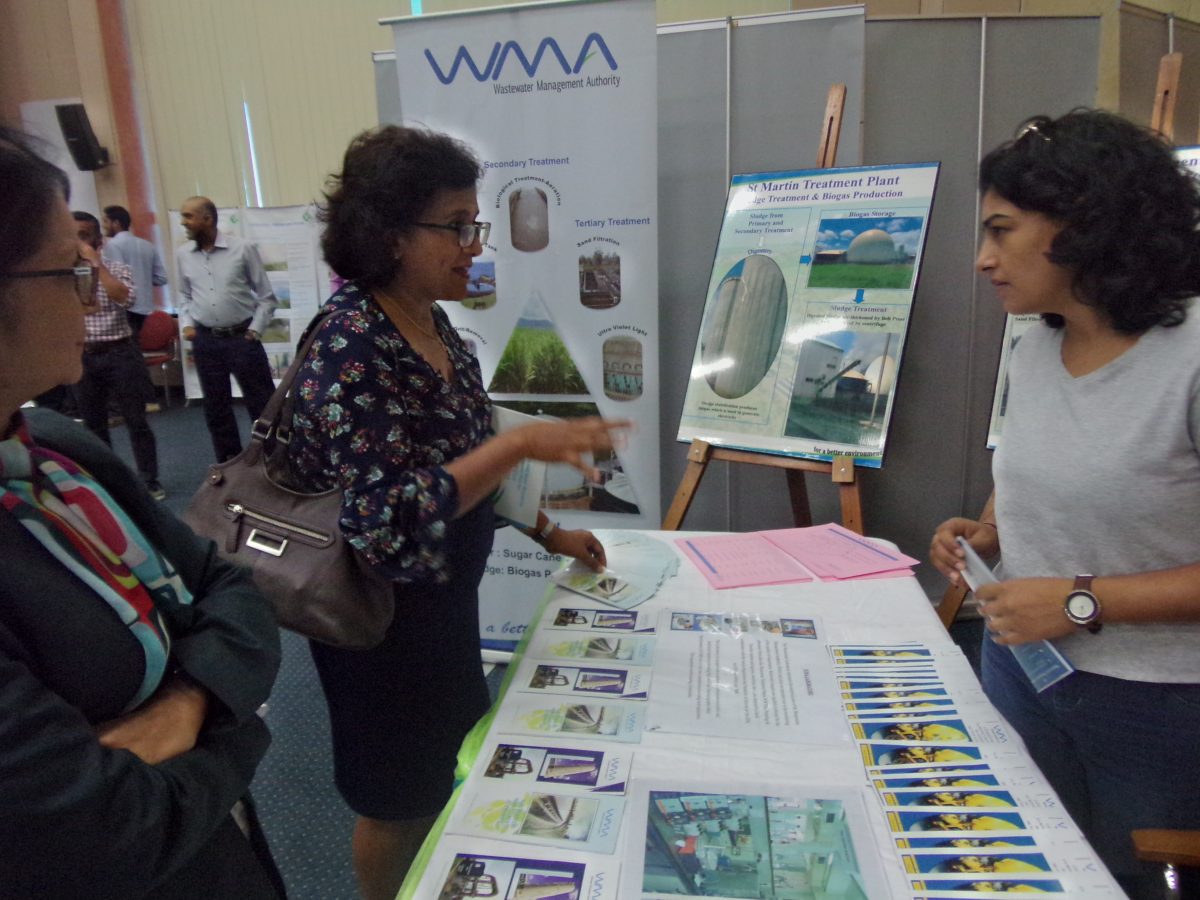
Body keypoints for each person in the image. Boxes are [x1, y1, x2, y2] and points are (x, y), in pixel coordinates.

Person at [286, 125, 630, 900]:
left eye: (475, 224)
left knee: (449, 769)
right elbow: (385, 519)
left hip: (441, 609)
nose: (474, 245)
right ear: (389, 234)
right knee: (395, 801)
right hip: (376, 625)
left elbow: (466, 459)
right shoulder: (351, 348)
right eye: (455, 226)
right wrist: (521, 444)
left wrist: (550, 531)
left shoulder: (435, 326)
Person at [0, 126, 284, 899]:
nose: (95, 295)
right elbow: (108, 831)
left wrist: (190, 705)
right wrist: (238, 722)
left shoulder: (56, 448)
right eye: (70, 272)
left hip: (221, 854)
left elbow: (234, 589)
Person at [930, 109, 1200, 899]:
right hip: (1025, 669)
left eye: (1001, 231)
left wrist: (1080, 602)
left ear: (1085, 223)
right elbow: (1046, 464)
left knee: (1133, 882)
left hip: (1157, 707)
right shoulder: (1036, 342)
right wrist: (992, 529)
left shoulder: (1189, 359)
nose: (983, 259)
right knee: (1029, 869)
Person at [174, 196, 277, 462]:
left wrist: (254, 331)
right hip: (206, 341)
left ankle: (273, 462)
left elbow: (267, 297)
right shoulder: (183, 254)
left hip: (242, 339)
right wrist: (187, 325)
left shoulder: (242, 249)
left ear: (207, 219)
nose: (183, 222)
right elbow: (184, 295)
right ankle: (229, 464)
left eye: (188, 216)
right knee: (216, 409)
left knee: (263, 405)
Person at [71, 210, 165, 500]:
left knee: (136, 421)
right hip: (84, 357)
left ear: (98, 240)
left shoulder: (116, 268)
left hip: (120, 352)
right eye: (72, 236)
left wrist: (95, 264)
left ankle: (149, 481)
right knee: (93, 425)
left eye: (84, 236)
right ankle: (107, 483)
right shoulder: (61, 278)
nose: (78, 243)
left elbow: (125, 297)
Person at [101, 203, 169, 343]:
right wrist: (143, 278)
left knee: (125, 346)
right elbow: (162, 278)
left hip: (124, 307)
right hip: (144, 307)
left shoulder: (112, 245)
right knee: (134, 344)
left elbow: (117, 277)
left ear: (116, 223)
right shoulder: (147, 245)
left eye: (106, 221)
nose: (104, 226)